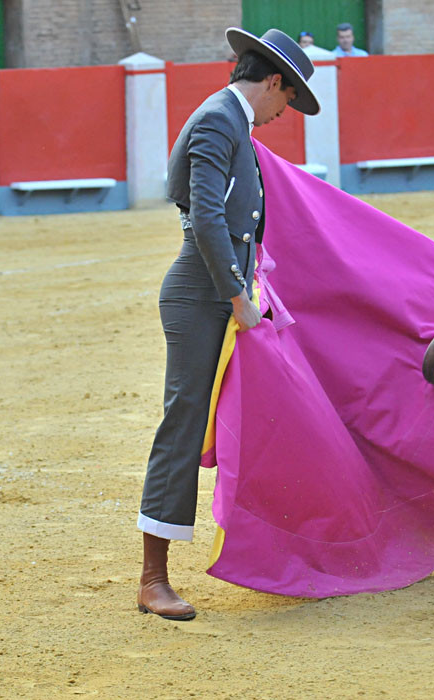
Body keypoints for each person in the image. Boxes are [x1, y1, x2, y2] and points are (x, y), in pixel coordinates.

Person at [136, 27, 320, 621]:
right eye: (286, 100)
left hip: (219, 291)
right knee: (185, 421)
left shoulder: (232, 121)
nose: (281, 113)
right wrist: (239, 295)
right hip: (200, 296)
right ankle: (152, 579)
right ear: (272, 82)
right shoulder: (221, 119)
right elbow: (209, 215)